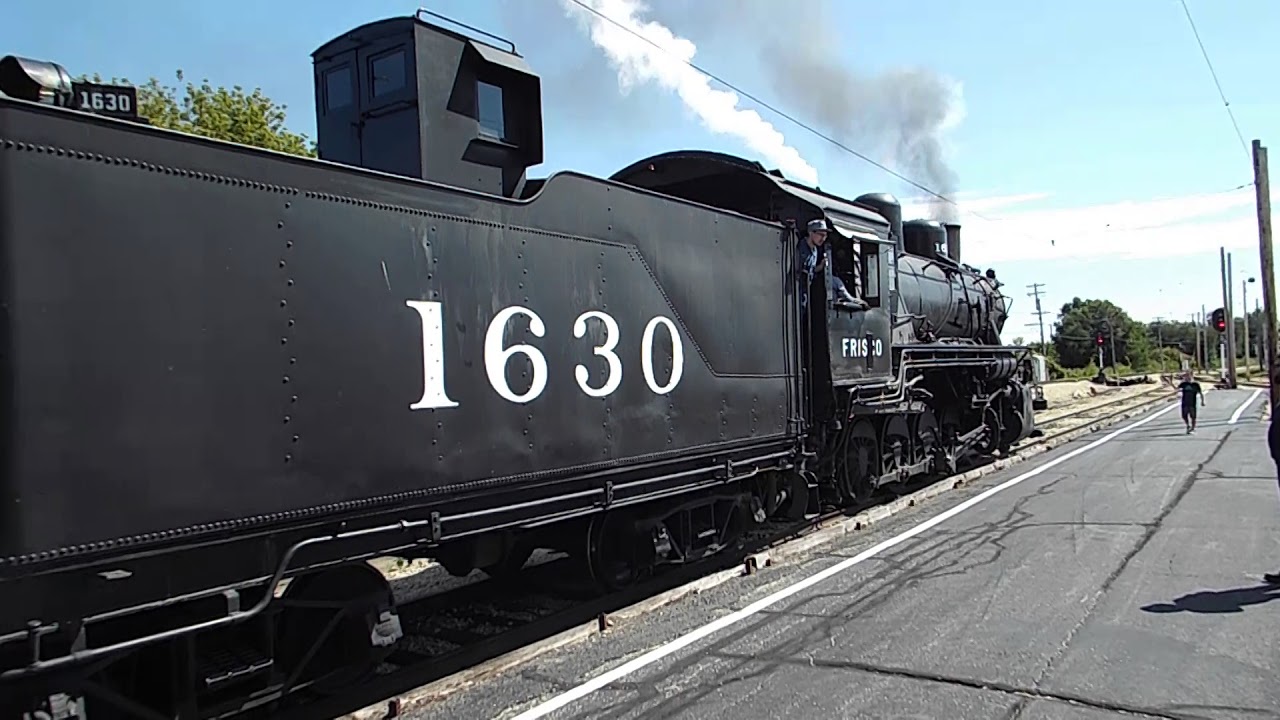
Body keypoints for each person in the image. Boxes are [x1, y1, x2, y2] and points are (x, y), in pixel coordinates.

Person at [796, 218, 866, 309]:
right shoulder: (800, 248)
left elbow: (811, 270)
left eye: (825, 236)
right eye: (821, 235)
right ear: (811, 232)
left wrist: (820, 266)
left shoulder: (815, 250)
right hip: (796, 291)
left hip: (805, 293)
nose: (823, 239)